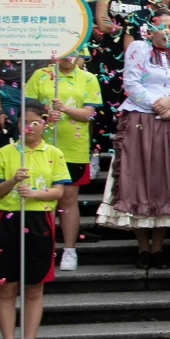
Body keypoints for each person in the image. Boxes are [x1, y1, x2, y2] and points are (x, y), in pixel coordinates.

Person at [96, 10, 170, 266]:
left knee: (168, 180)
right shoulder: (139, 48)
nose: (168, 31)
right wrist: (157, 104)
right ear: (149, 29)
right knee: (141, 178)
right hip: (142, 118)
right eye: (162, 26)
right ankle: (142, 247)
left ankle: (159, 247)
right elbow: (131, 84)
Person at [0, 101, 68, 339]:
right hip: (8, 219)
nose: (29, 127)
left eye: (35, 122)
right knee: (6, 285)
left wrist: (33, 193)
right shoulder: (6, 153)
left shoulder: (53, 152)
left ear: (44, 123)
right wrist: (13, 181)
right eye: (24, 122)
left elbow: (58, 192)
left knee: (34, 285)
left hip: (38, 219)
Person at [26, 51, 101, 273]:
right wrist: (46, 116)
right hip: (41, 148)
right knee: (42, 197)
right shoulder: (40, 75)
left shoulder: (88, 78)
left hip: (73, 149)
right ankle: (43, 248)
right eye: (64, 53)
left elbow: (89, 114)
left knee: (68, 200)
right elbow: (28, 110)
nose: (69, 57)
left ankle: (69, 249)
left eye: (75, 53)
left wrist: (65, 109)